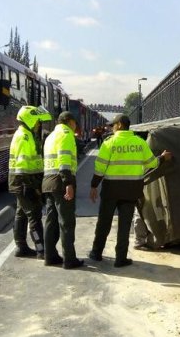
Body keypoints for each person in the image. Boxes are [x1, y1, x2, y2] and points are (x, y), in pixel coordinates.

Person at [88, 114, 172, 267]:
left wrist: (94, 186)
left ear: (119, 125)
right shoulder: (139, 143)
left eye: (113, 125)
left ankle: (96, 253)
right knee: (124, 225)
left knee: (104, 223)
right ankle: (121, 258)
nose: (112, 128)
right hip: (131, 190)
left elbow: (100, 168)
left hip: (111, 190)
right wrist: (162, 157)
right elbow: (151, 164)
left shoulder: (109, 143)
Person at [42, 111, 84, 269]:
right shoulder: (66, 134)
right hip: (61, 182)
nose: (75, 127)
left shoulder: (51, 136)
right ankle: (69, 259)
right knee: (66, 222)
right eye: (75, 123)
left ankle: (50, 256)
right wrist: (68, 183)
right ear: (70, 122)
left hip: (48, 182)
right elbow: (64, 161)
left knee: (51, 221)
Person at [9, 105, 53, 258]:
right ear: (29, 120)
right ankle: (41, 250)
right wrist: (34, 187)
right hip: (24, 182)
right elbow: (22, 167)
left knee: (21, 214)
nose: (39, 124)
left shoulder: (27, 134)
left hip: (23, 182)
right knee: (34, 216)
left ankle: (21, 247)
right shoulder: (24, 137)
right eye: (37, 121)